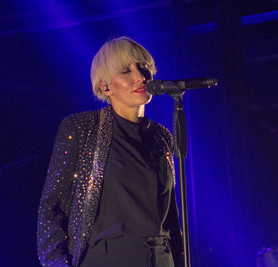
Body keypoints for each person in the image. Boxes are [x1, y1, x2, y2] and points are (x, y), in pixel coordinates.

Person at [37, 36, 183, 267]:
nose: (140, 76)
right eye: (126, 71)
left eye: (143, 67)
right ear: (105, 87)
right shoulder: (83, 128)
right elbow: (51, 209)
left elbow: (172, 219)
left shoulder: (162, 136)